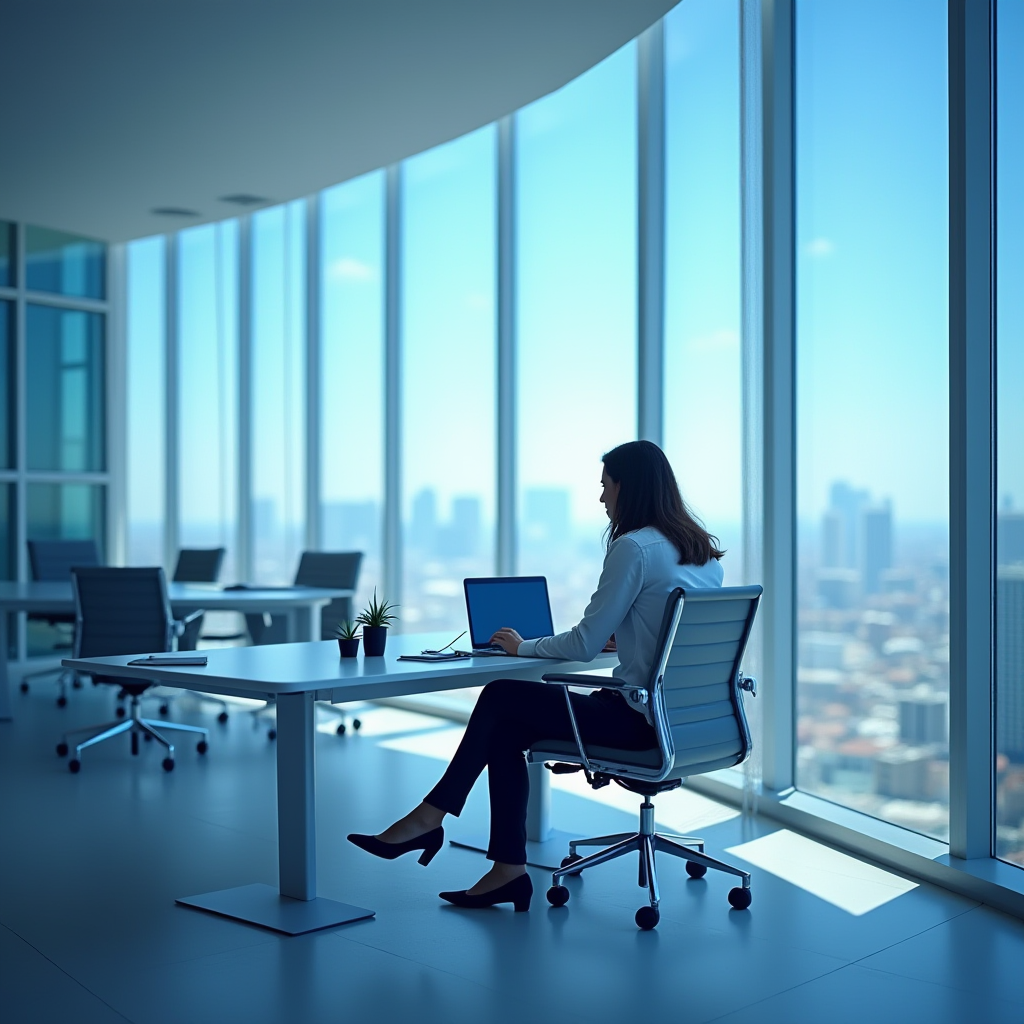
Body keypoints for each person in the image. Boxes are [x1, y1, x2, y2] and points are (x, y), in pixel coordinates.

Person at [348, 440, 725, 911]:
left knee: (501, 695)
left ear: (627, 487)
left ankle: (430, 818)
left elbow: (582, 644)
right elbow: (669, 636)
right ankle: (506, 870)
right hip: (687, 724)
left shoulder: (633, 548)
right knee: (505, 731)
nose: (601, 497)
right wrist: (628, 636)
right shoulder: (702, 555)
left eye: (605, 485)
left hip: (639, 724)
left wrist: (521, 645)